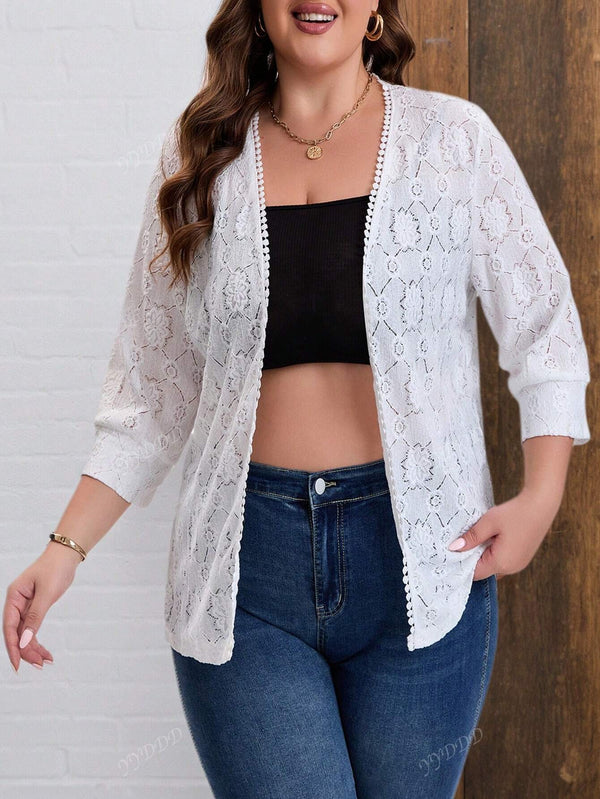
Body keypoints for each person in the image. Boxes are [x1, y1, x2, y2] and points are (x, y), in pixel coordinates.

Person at [3, 1, 591, 797]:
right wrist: (61, 550)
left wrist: (542, 498)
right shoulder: (200, 155)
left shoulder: (453, 140)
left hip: (425, 563)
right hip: (245, 582)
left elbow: (544, 328)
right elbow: (150, 392)